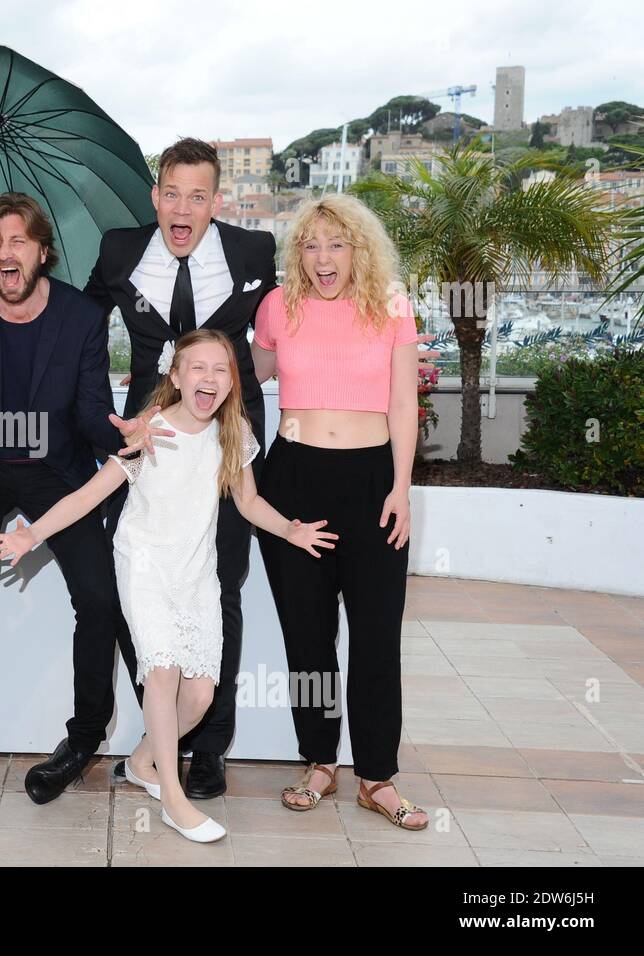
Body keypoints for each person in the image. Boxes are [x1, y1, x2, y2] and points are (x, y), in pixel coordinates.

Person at [0, 330, 336, 843]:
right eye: (197, 367)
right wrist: (33, 533)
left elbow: (249, 502)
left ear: (232, 383)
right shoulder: (150, 431)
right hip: (143, 563)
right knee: (164, 674)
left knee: (199, 695)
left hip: (196, 574)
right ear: (175, 376)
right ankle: (173, 798)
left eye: (221, 369)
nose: (209, 378)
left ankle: (144, 760)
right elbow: (90, 495)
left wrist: (290, 529)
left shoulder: (233, 432)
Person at [0, 191, 170, 805]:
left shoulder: (79, 317)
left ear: (42, 252)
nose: (6, 251)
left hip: (56, 470)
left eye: (18, 240)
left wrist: (122, 430)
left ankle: (82, 739)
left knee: (99, 599)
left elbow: (89, 413)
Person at [84, 138, 277, 799]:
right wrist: (101, 420)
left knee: (221, 585)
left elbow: (282, 332)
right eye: (172, 194)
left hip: (226, 443)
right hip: (152, 443)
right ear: (155, 196)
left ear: (216, 201)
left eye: (199, 196)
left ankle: (207, 746)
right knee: (146, 585)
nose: (184, 207)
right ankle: (162, 737)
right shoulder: (117, 252)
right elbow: (81, 334)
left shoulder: (254, 254)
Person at [250, 193, 428, 831]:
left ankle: (376, 775)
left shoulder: (391, 306)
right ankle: (319, 760)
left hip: (373, 480)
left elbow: (404, 404)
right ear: (297, 252)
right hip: (294, 480)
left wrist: (402, 487)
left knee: (378, 637)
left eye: (336, 244)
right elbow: (255, 370)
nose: (323, 258)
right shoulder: (278, 305)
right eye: (310, 244)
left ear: (360, 249)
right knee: (308, 639)